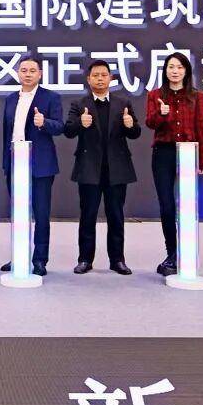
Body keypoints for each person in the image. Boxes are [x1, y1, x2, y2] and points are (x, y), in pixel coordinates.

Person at [63, 59, 142, 275]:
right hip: (89, 169)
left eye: (104, 75)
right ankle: (85, 259)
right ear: (88, 79)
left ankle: (117, 260)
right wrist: (81, 124)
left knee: (116, 216)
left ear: (110, 78)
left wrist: (130, 125)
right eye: (95, 75)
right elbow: (68, 131)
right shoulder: (79, 104)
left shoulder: (123, 102)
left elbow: (136, 133)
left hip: (117, 169)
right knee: (87, 216)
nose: (100, 79)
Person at [145, 52, 203, 276]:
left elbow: (201, 128)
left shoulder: (197, 96)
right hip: (163, 153)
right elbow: (150, 123)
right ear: (165, 70)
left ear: (186, 71)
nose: (175, 71)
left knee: (187, 206)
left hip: (188, 153)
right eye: (171, 67)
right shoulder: (155, 95)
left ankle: (186, 253)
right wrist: (162, 114)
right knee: (166, 205)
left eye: (180, 67)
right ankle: (172, 253)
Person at [0, 55, 64, 276]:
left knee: (41, 214)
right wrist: (6, 162)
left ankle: (39, 259)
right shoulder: (11, 99)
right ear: (18, 73)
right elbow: (7, 132)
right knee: (18, 214)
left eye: (32, 71)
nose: (27, 74)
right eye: (24, 70)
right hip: (15, 163)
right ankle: (19, 256)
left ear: (40, 74)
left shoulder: (51, 97)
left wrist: (44, 123)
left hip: (40, 165)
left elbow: (60, 127)